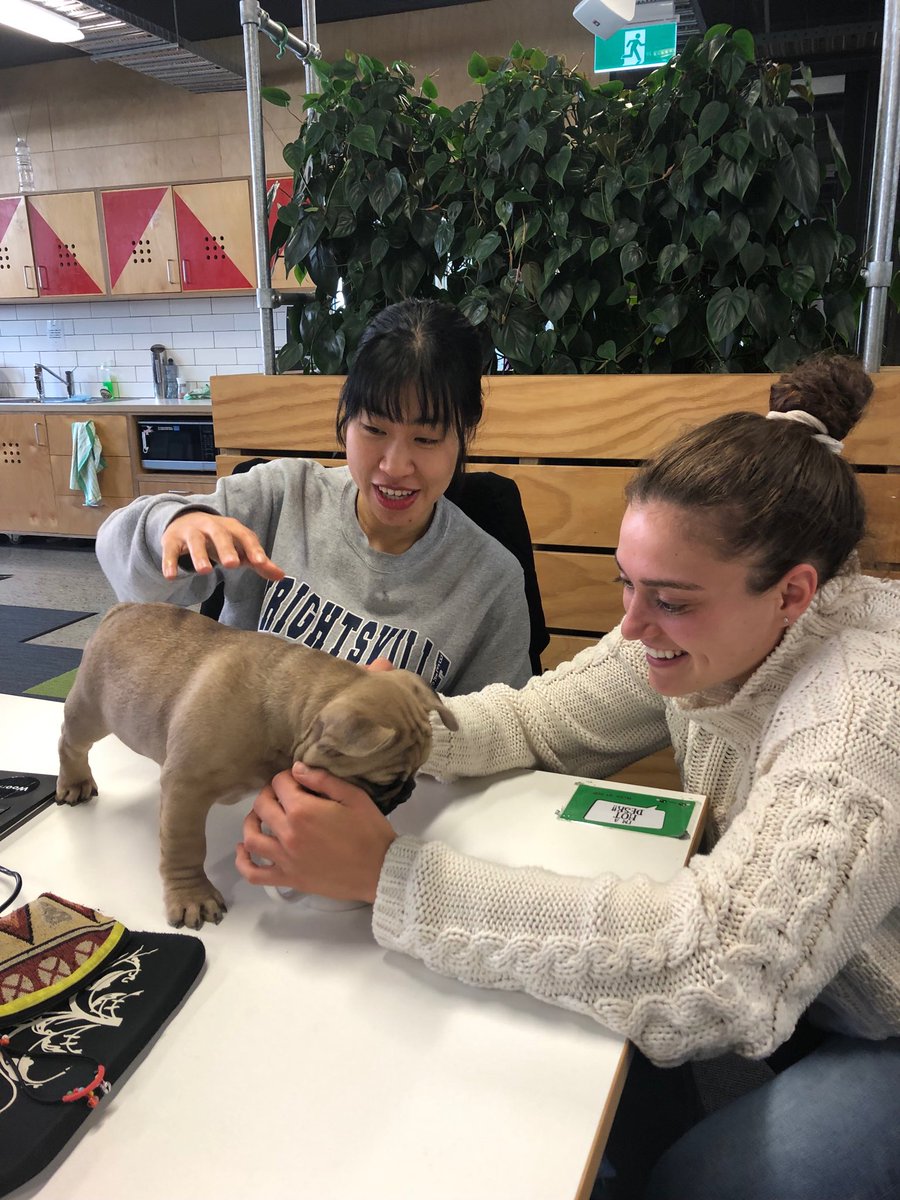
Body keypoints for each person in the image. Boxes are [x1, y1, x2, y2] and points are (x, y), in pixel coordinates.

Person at [235, 354, 900, 1199]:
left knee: (706, 1183)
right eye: (627, 584)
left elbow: (729, 970)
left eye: (669, 599)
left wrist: (387, 874)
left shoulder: (858, 711)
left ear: (793, 593)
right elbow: (534, 719)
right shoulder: (703, 630)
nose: (632, 626)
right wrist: (393, 727)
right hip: (807, 985)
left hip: (879, 1024)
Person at [95, 299, 533, 694]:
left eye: (426, 438)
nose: (395, 466)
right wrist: (171, 526)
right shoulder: (283, 495)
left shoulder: (491, 582)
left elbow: (492, 730)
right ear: (346, 421)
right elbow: (128, 569)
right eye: (375, 430)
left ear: (463, 436)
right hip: (231, 761)